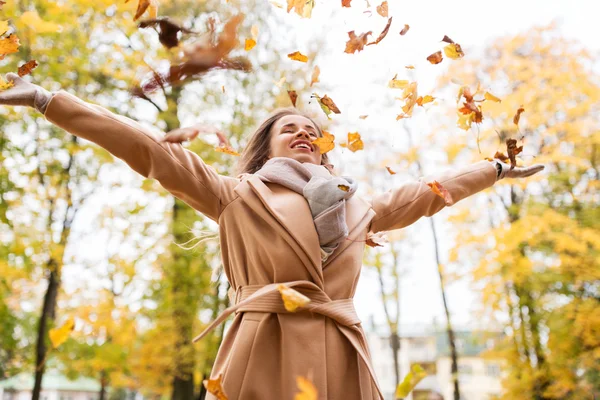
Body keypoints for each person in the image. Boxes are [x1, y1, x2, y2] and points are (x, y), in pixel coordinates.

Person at [0, 73, 544, 400]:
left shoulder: (359, 205)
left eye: (313, 131)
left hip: (340, 351)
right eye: (290, 128)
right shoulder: (233, 192)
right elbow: (149, 149)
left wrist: (493, 169)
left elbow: (431, 191)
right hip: (262, 344)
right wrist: (50, 100)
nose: (305, 133)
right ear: (266, 148)